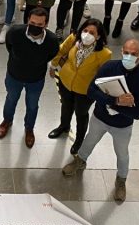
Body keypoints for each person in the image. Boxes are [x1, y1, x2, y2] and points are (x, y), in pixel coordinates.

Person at [62, 39, 139, 203]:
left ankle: (121, 180)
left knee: (122, 154)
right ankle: (80, 161)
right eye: (126, 52)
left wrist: (115, 105)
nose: (129, 56)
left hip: (122, 126)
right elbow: (91, 91)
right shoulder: (109, 67)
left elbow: (138, 113)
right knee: (89, 141)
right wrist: (115, 101)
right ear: (121, 51)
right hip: (100, 118)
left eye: (133, 54)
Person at [0, 7, 59, 148]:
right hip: (14, 75)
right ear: (27, 20)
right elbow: (10, 47)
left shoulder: (52, 40)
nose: (35, 27)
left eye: (39, 25)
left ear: (46, 24)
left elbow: (51, 55)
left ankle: (29, 129)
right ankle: (7, 121)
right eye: (32, 23)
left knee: (32, 105)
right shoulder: (15, 32)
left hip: (36, 79)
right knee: (11, 99)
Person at [48, 19, 112, 154]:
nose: (87, 34)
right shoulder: (73, 39)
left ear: (98, 36)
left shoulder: (104, 54)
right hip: (66, 82)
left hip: (86, 90)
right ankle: (64, 126)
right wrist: (53, 66)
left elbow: (102, 75)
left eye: (92, 33)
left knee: (81, 114)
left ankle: (79, 140)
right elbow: (61, 51)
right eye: (85, 31)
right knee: (65, 106)